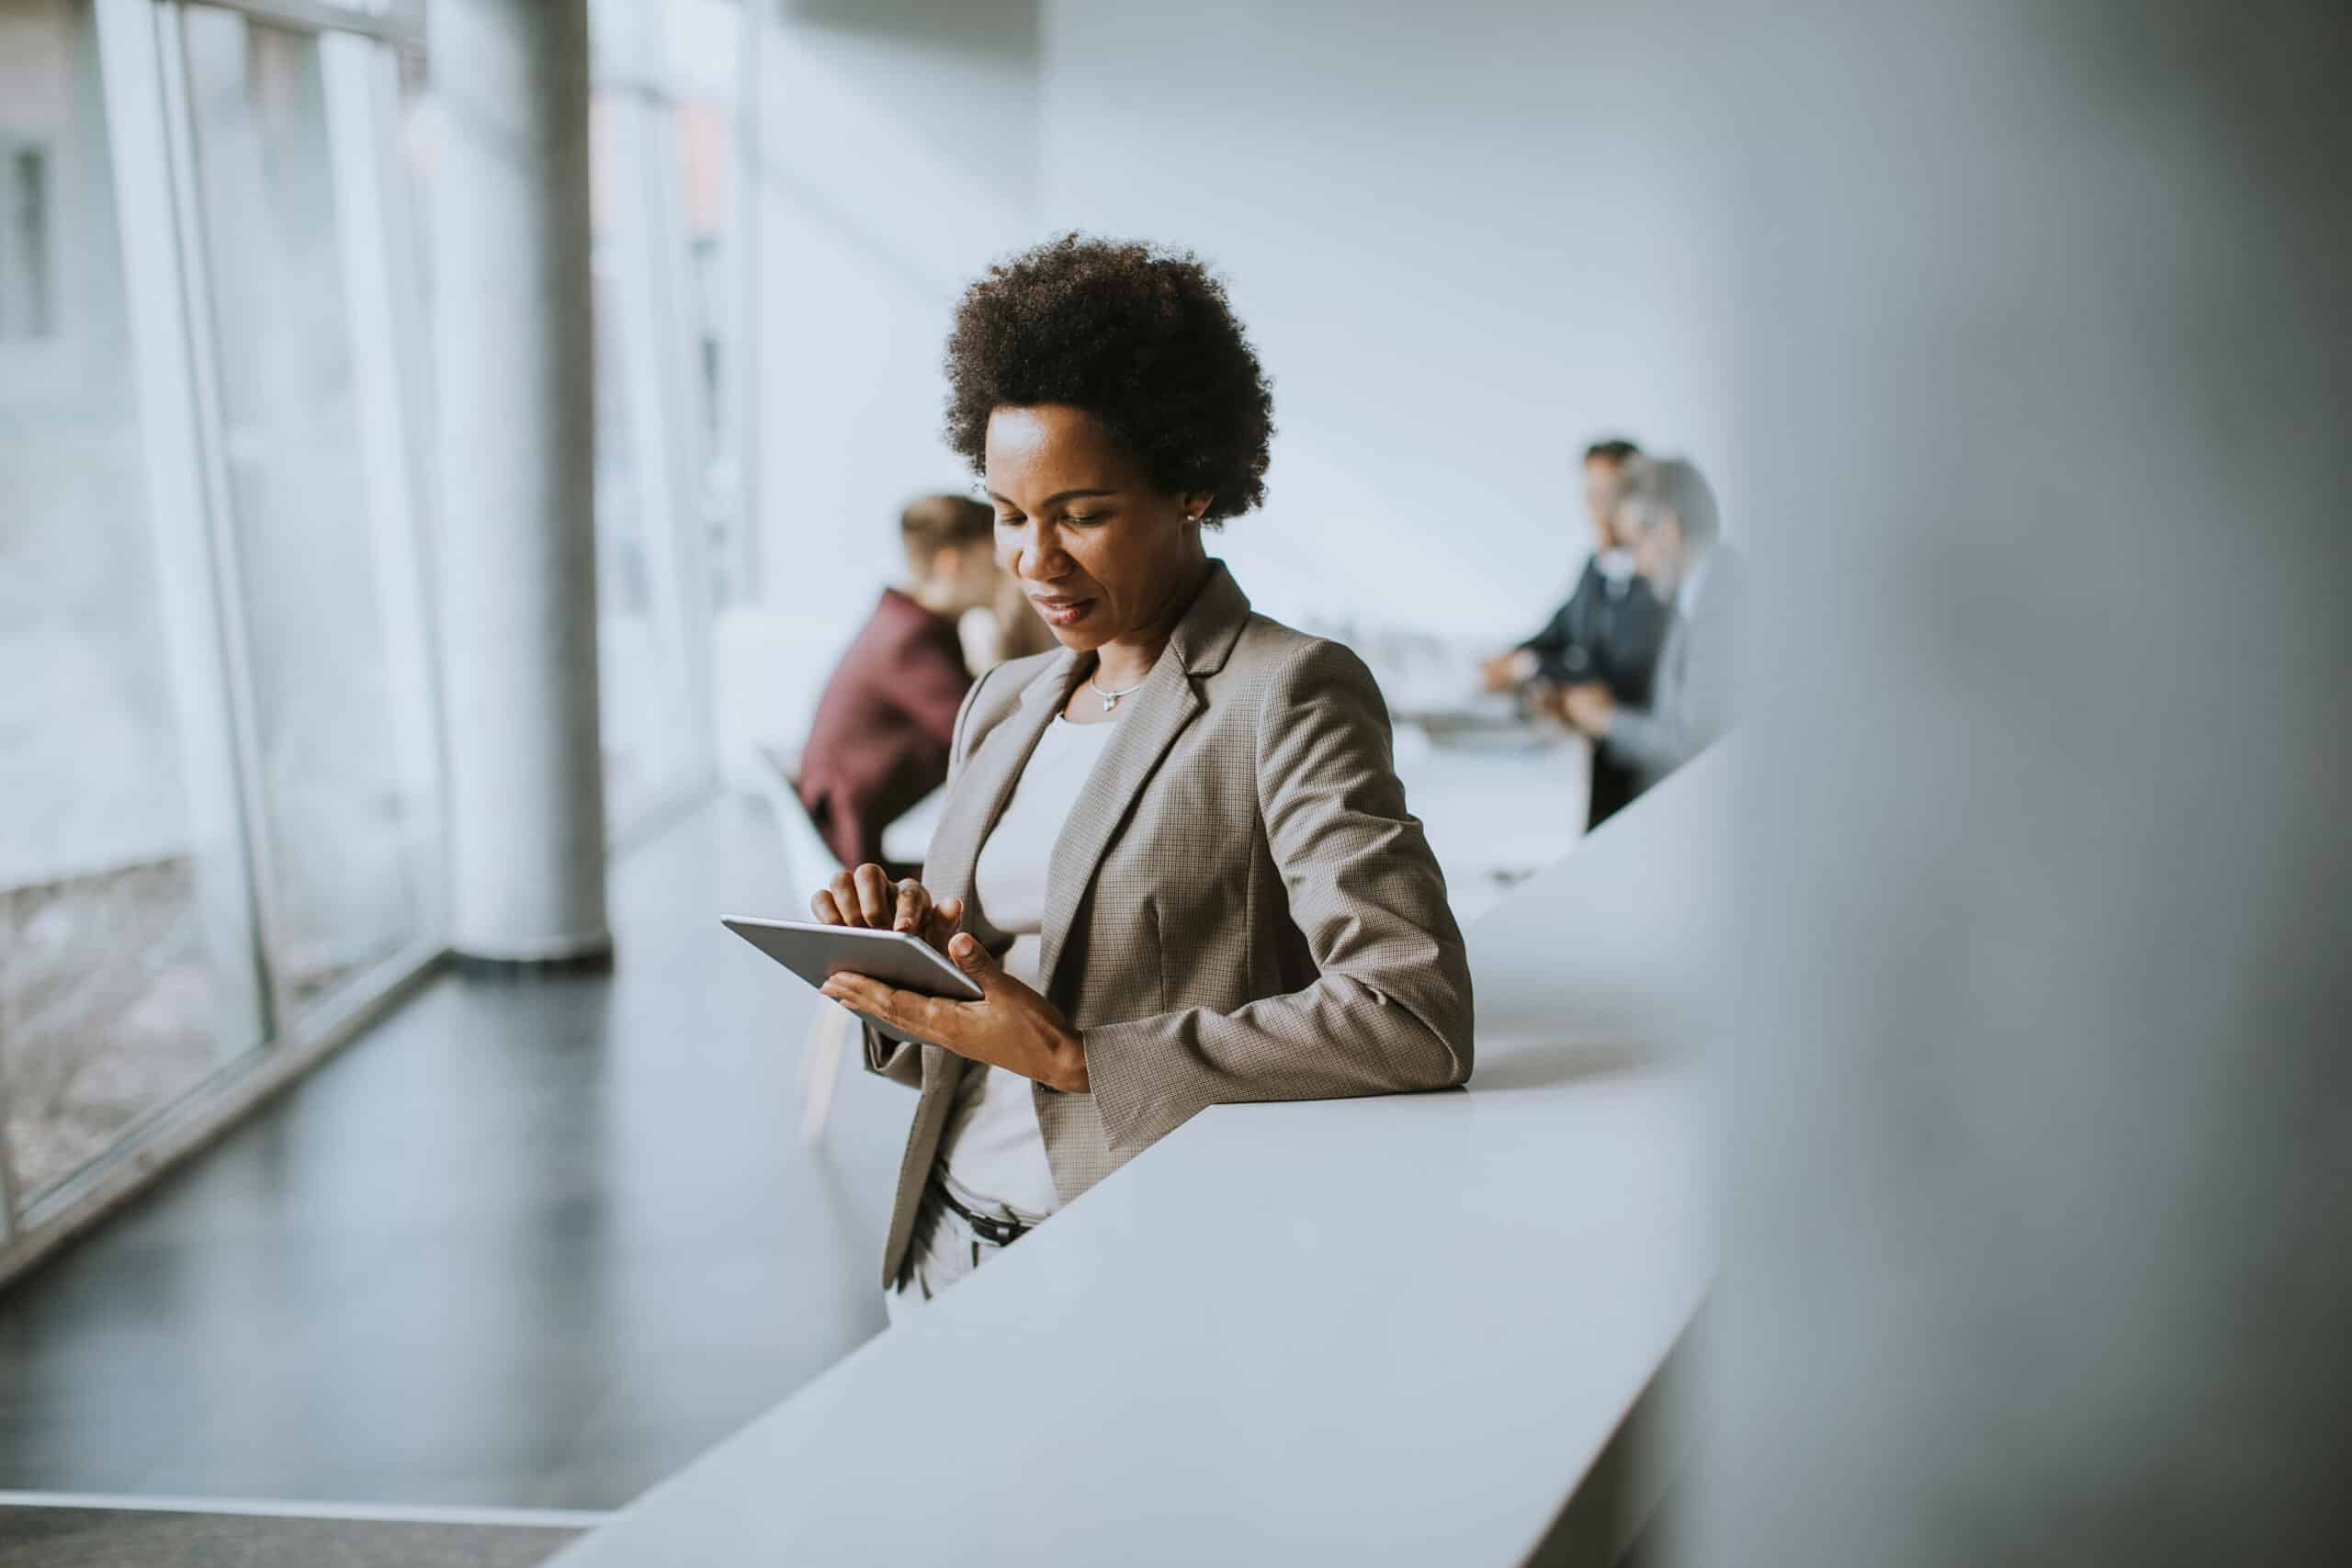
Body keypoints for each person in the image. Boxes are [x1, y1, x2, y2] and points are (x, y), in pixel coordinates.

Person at [807, 235, 1475, 1316]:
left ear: (1191, 488)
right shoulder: (1004, 701)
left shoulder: (1286, 692)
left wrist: (1081, 1058)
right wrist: (902, 963)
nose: (1036, 560)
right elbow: (984, 1011)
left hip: (1131, 1265)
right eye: (1011, 515)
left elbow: (1414, 1015)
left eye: (1081, 514)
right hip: (937, 1252)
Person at [795, 495, 1001, 876]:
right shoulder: (911, 639)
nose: (1005, 573)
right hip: (857, 860)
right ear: (953, 564)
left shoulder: (902, 622)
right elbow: (984, 737)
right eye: (993, 558)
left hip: (857, 835)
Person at [1479, 437, 1668, 828]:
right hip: (1596, 768)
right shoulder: (1594, 571)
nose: (1596, 510)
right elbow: (1556, 633)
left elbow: (1612, 676)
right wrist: (1512, 660)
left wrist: (1531, 668)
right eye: (1590, 495)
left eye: (1609, 495)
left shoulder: (1661, 580)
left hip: (1647, 775)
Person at [1556, 456, 1739, 787]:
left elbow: (1689, 745)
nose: (1637, 566)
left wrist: (1605, 720)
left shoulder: (1721, 602)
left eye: (1635, 545)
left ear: (1668, 531)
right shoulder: (1696, 594)